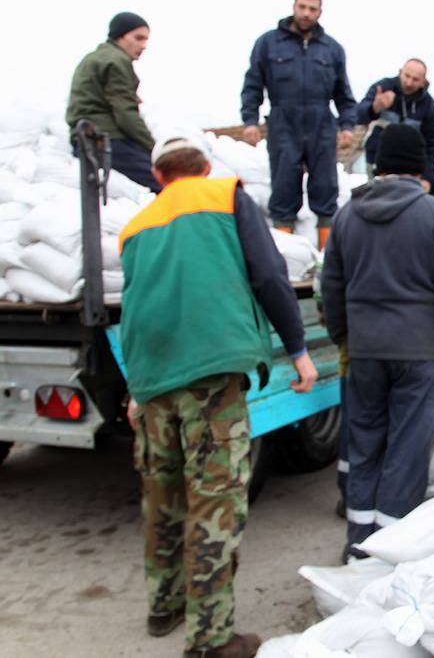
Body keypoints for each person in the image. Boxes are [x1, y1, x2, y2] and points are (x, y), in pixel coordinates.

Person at [120, 136, 318, 658]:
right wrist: (297, 349)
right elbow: (270, 275)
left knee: (161, 500)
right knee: (213, 504)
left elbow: (133, 308)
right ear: (204, 167)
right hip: (211, 376)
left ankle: (163, 607)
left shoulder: (136, 227)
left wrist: (135, 388)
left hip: (153, 380)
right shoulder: (225, 195)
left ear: (158, 177)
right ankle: (210, 638)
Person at [321, 124, 434, 555]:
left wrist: (343, 338)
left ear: (378, 165)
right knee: (407, 448)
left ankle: (357, 543)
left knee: (364, 442)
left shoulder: (347, 215)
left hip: (365, 351)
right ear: (420, 167)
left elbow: (330, 285)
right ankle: (388, 551)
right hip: (420, 353)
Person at [240, 0, 356, 248]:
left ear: (320, 12)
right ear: (294, 6)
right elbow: (252, 85)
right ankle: (287, 259)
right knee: (283, 192)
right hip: (283, 122)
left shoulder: (332, 49)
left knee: (326, 191)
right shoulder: (268, 43)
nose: (306, 13)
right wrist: (250, 120)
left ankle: (327, 260)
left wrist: (347, 126)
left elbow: (344, 94)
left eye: (312, 9)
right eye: (302, 7)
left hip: (321, 124)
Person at [66, 12, 161, 192]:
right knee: (165, 179)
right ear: (120, 36)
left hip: (88, 137)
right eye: (138, 38)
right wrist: (155, 149)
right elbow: (126, 115)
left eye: (146, 40)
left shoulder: (95, 57)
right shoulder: (116, 61)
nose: (144, 45)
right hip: (105, 139)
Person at [357, 58, 434, 189]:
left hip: (410, 170)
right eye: (407, 76)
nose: (409, 82)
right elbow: (357, 115)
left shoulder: (428, 106)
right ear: (400, 72)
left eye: (415, 79)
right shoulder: (383, 88)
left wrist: (427, 178)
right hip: (377, 164)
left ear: (423, 82)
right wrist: (374, 108)